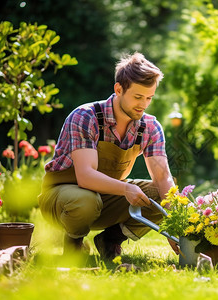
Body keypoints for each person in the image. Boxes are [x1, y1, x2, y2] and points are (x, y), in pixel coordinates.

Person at [38, 52, 178, 260]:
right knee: (85, 199)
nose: (143, 104)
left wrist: (174, 225)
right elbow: (85, 176)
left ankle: (110, 240)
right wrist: (126, 188)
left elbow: (162, 178)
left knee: (162, 193)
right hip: (63, 198)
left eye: (149, 98)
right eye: (138, 97)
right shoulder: (85, 117)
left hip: (106, 197)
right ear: (119, 89)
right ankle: (73, 240)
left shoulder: (150, 127)